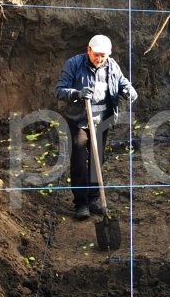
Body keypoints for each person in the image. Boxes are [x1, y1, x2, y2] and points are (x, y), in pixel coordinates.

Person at [55, 34, 138, 220]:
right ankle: (81, 203)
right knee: (79, 161)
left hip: (102, 121)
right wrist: (77, 93)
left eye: (103, 56)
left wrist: (128, 90)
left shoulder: (112, 65)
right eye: (96, 55)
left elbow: (122, 82)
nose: (99, 59)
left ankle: (93, 199)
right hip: (79, 120)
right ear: (88, 50)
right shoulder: (74, 64)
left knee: (96, 160)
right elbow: (59, 90)